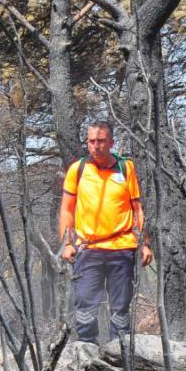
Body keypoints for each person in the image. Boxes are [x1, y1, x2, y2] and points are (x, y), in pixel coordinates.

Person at [58, 120, 154, 344]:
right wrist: (67, 243)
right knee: (85, 304)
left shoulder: (126, 167)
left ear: (111, 142)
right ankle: (87, 352)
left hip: (122, 248)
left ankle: (120, 358)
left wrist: (145, 243)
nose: (96, 146)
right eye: (91, 141)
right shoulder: (78, 169)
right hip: (88, 249)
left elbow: (138, 208)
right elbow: (66, 210)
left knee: (120, 307)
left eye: (101, 141)